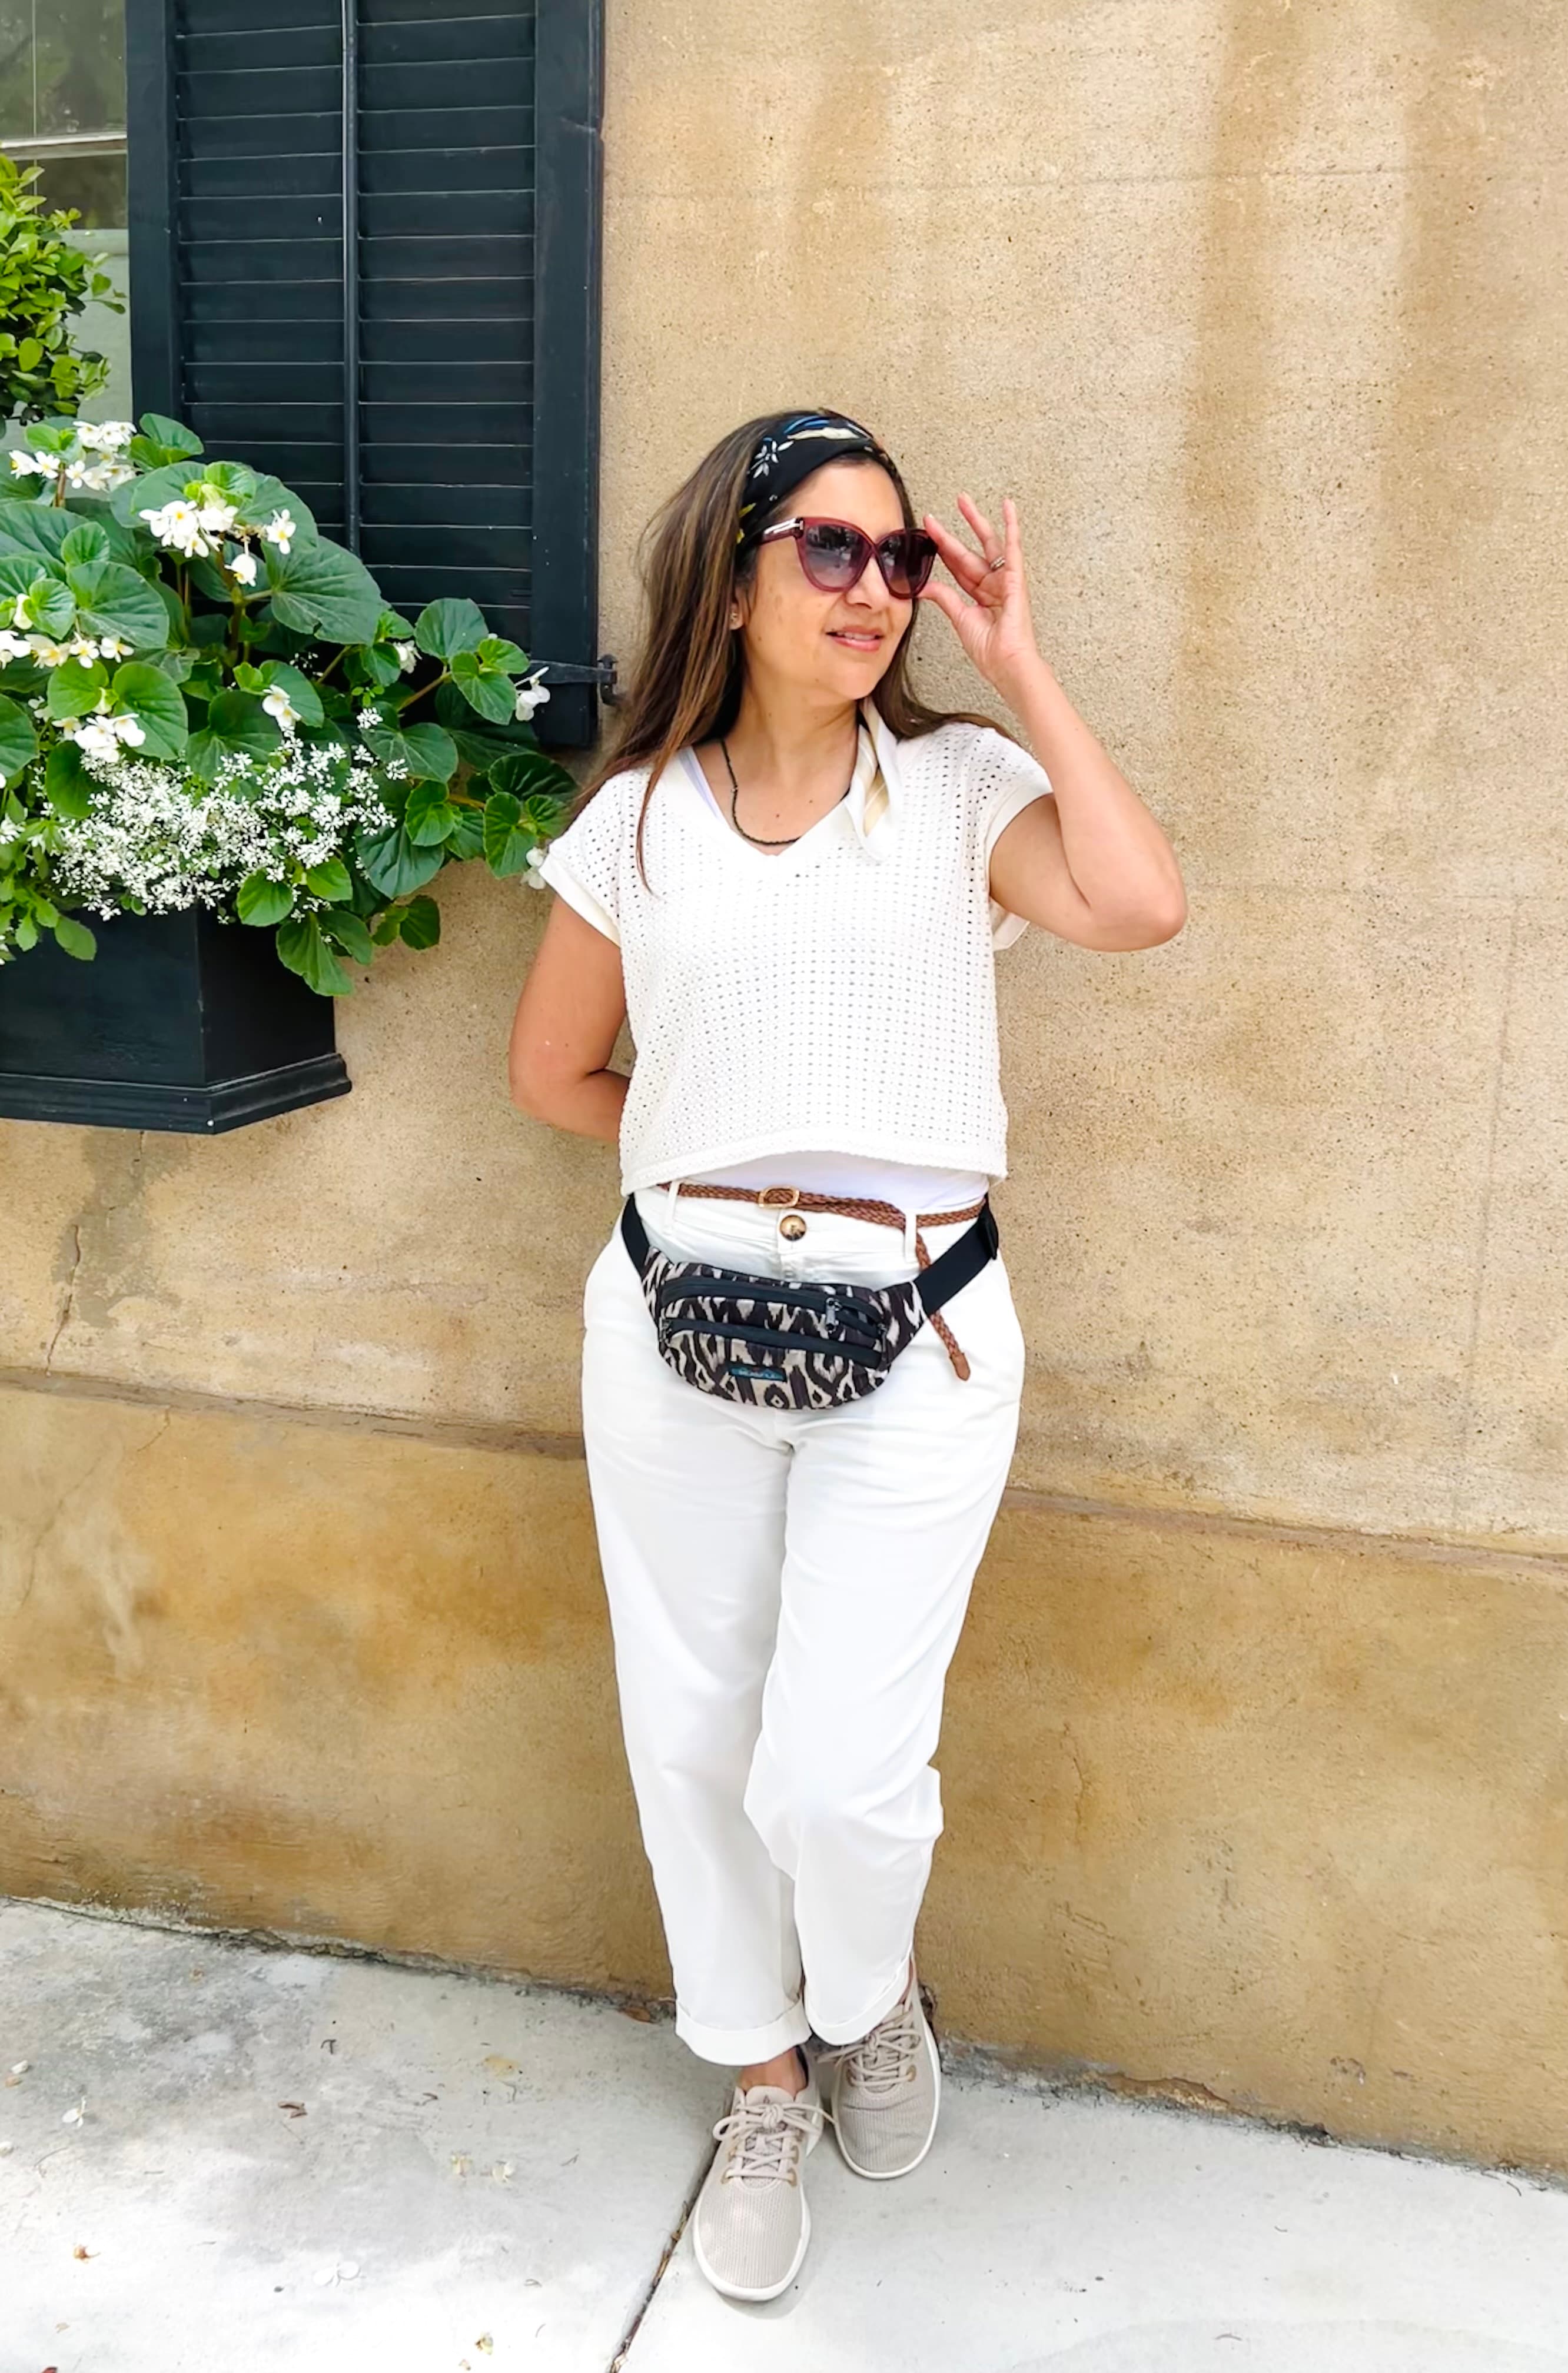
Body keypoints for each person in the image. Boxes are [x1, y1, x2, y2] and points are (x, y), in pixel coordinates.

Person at [507, 407, 1184, 2302]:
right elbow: (555, 1073)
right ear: (734, 576)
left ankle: (871, 1998)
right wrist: (724, 1141)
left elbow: (1138, 904)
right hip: (672, 1327)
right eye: (833, 550)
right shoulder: (634, 823)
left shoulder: (958, 787)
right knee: (693, 1733)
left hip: (924, 1340)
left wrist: (1023, 660)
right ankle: (761, 2070)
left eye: (899, 560)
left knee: (842, 1773)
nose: (876, 588)